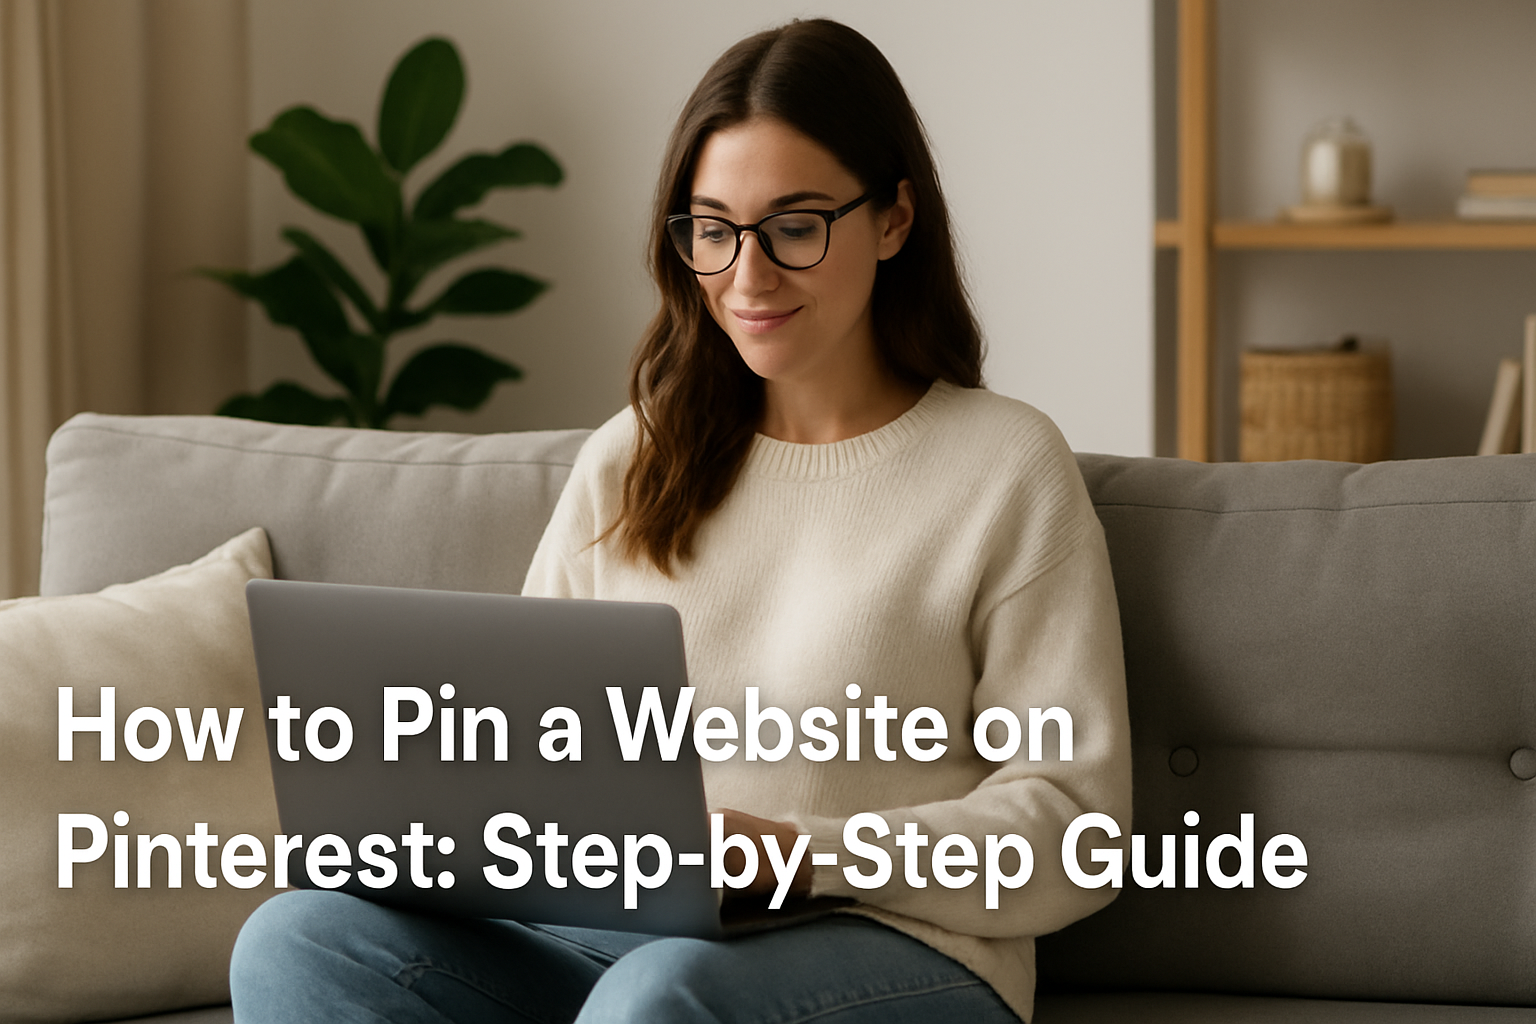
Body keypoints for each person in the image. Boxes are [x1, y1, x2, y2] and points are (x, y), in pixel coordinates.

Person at [230, 18, 1131, 1024]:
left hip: (895, 943)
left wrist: (796, 853)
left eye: (795, 226)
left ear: (893, 218)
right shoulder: (635, 455)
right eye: (712, 229)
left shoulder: (1003, 465)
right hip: (614, 938)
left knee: (657, 999)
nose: (747, 277)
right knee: (296, 938)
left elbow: (1075, 826)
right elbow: (520, 756)